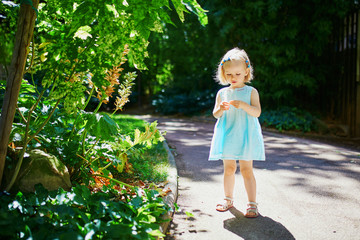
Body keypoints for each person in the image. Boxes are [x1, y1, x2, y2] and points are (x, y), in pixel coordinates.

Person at [208, 47, 265, 218]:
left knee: (247, 170)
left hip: (245, 135)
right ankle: (228, 199)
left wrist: (244, 105)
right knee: (229, 169)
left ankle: (252, 203)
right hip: (228, 135)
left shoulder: (251, 92)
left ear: (246, 72)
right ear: (223, 73)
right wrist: (221, 108)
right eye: (229, 74)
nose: (233, 78)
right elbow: (215, 114)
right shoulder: (222, 93)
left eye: (237, 74)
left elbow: (257, 112)